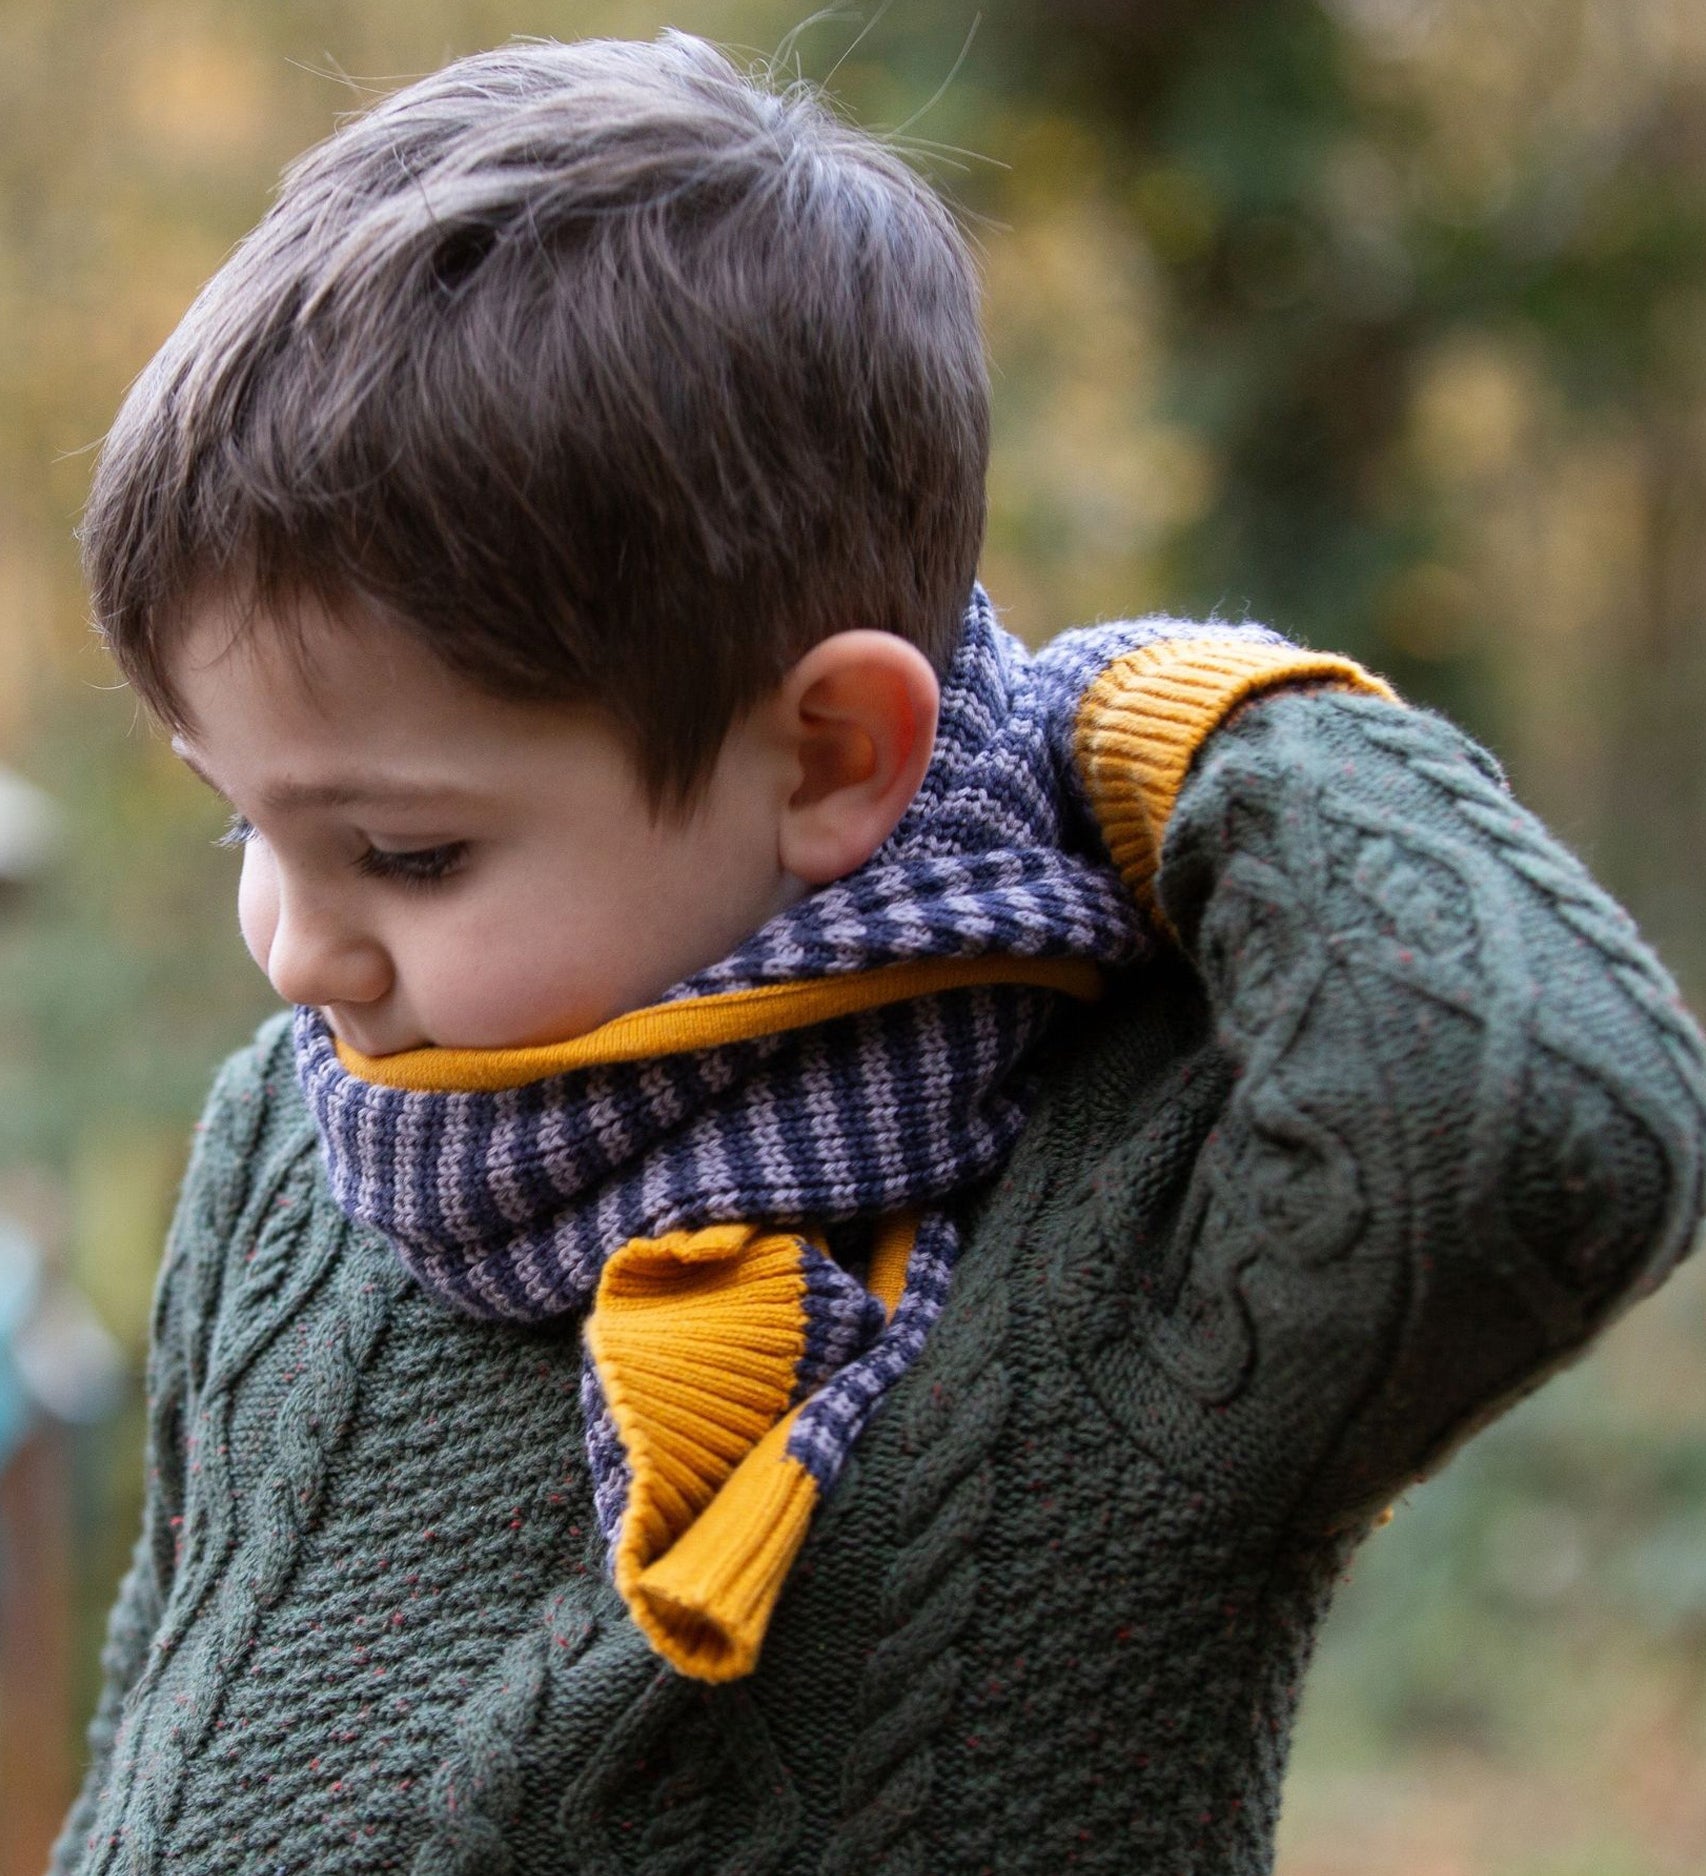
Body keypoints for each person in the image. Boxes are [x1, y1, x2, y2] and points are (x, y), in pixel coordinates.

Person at [53, 33, 1706, 1876]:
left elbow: (1553, 1122)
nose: (295, 955)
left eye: (406, 854)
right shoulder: (296, 1151)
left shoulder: (1127, 1217)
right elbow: (149, 1731)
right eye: (239, 823)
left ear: (834, 756)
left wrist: (1174, 721)